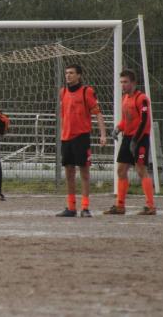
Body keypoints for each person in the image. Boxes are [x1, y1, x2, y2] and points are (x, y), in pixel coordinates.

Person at [57, 64, 107, 218]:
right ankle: (71, 207)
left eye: (71, 73)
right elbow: (63, 115)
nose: (68, 75)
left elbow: (98, 113)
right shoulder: (63, 92)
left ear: (79, 75)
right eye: (66, 73)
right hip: (66, 138)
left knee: (84, 172)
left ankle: (85, 207)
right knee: (69, 173)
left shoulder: (87, 91)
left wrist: (103, 134)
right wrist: (62, 132)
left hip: (81, 137)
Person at [104, 69, 156, 215]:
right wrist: (118, 128)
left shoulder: (142, 98)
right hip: (128, 138)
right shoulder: (125, 98)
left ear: (133, 83)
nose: (123, 85)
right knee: (121, 170)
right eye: (121, 82)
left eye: (125, 82)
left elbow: (144, 121)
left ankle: (150, 206)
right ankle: (120, 206)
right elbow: (126, 120)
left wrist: (135, 140)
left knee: (141, 170)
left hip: (140, 138)